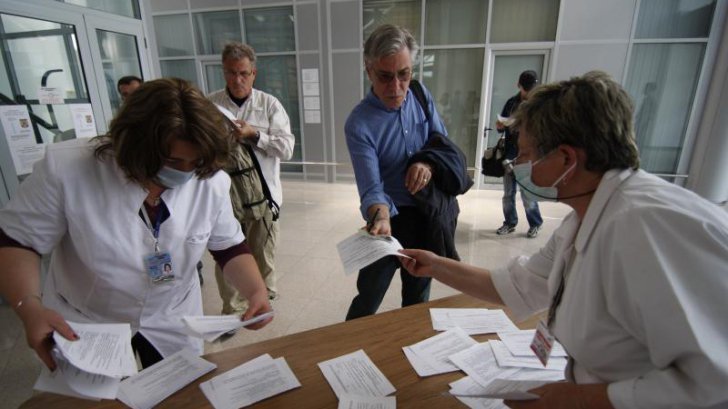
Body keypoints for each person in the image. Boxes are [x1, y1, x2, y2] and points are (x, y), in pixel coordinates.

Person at [399, 71, 728, 409]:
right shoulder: (583, 218)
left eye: (525, 155)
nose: (517, 165)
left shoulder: (649, 227)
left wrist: (576, 399)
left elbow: (715, 381)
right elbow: (519, 284)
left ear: (566, 160)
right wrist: (436, 265)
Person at [0, 78, 273, 370]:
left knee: (177, 392)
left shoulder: (209, 180)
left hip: (172, 314)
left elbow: (229, 246)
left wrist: (256, 292)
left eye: (196, 162)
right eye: (173, 161)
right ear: (135, 149)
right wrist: (29, 307)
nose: (186, 173)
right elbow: (18, 242)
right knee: (100, 399)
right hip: (90, 317)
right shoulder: (67, 170)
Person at [344, 24, 457, 320]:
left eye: (403, 74)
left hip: (425, 214)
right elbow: (371, 185)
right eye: (385, 76)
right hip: (386, 221)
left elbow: (441, 144)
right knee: (368, 297)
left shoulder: (420, 96)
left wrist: (428, 164)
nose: (395, 87)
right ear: (369, 70)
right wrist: (379, 216)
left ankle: (414, 351)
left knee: (418, 296)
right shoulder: (359, 123)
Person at [208, 42, 294, 316]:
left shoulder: (269, 104)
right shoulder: (210, 106)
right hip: (225, 200)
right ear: (224, 72)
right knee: (227, 257)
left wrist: (255, 135)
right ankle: (232, 309)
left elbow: (287, 148)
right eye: (232, 73)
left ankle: (263, 303)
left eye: (244, 73)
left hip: (264, 197)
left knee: (263, 254)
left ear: (254, 73)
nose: (238, 79)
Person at [495, 70, 543, 238]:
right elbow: (499, 125)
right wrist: (501, 125)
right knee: (508, 194)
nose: (529, 91)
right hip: (510, 153)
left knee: (527, 193)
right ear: (519, 85)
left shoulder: (539, 105)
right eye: (526, 88)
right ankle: (509, 222)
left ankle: (535, 223)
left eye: (532, 88)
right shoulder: (511, 103)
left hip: (528, 156)